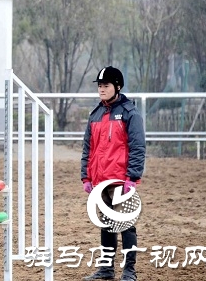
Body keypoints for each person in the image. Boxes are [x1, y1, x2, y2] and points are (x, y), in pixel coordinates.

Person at [80, 66, 146, 281]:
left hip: (120, 180)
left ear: (117, 86)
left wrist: (132, 177)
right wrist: (86, 176)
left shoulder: (129, 113)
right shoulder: (96, 114)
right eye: (99, 86)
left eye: (105, 86)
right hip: (99, 181)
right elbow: (87, 148)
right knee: (106, 224)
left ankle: (129, 271)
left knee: (126, 225)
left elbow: (138, 147)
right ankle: (106, 269)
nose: (101, 89)